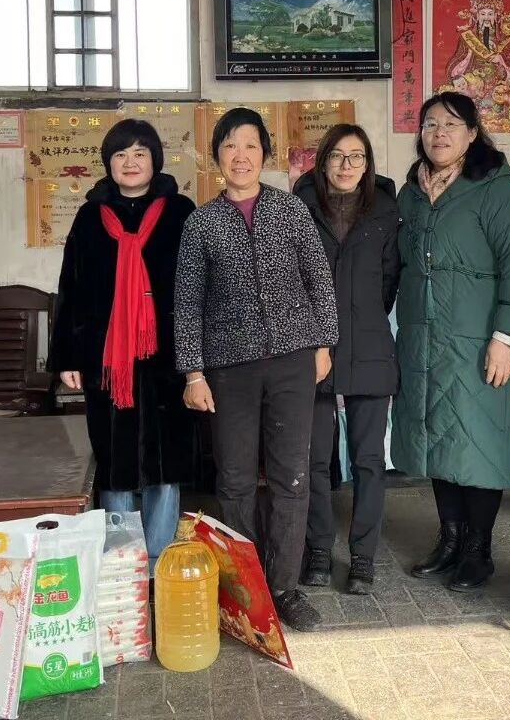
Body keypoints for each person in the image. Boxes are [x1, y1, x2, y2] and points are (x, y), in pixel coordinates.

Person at [174, 107, 339, 632]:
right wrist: (193, 373)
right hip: (229, 370)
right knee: (235, 479)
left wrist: (323, 344)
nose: (240, 156)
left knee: (291, 477)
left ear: (264, 154)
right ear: (216, 157)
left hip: (292, 361)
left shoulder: (290, 210)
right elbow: (187, 302)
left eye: (250, 145)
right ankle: (243, 588)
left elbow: (319, 280)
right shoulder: (201, 223)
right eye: (229, 146)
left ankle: (285, 587)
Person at [392, 91, 510, 592]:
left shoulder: (496, 190)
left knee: (480, 443)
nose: (439, 134)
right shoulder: (410, 194)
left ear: (473, 134)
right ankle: (450, 540)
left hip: (479, 341)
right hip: (425, 341)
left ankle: (478, 550)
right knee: (438, 439)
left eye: (451, 125)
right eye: (430, 124)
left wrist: (505, 338)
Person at [52, 119, 197, 570]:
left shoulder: (180, 211)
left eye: (139, 153)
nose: (130, 163)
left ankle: (158, 562)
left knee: (165, 462)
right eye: (120, 154)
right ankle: (120, 565)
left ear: (155, 159)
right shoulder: (90, 217)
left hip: (167, 356)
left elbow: (197, 286)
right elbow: (70, 287)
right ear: (108, 163)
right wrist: (67, 356)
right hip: (106, 358)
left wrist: (197, 359)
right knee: (114, 460)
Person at [293, 123, 400, 596]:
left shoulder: (385, 210)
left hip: (370, 347)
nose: (346, 165)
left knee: (369, 460)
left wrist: (362, 318)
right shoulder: (299, 207)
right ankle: (318, 549)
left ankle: (362, 557)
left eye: (356, 156)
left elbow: (389, 279)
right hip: (313, 348)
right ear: (323, 162)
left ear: (367, 164)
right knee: (314, 458)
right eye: (337, 155)